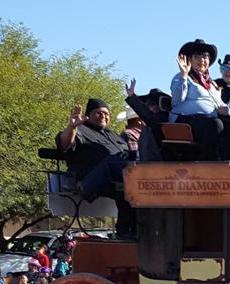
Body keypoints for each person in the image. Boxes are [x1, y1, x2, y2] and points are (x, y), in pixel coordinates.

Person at [56, 98, 135, 237]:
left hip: (116, 179)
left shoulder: (113, 135)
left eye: (106, 114)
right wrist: (72, 127)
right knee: (111, 162)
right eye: (99, 113)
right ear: (88, 115)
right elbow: (65, 145)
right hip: (88, 178)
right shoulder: (81, 129)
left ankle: (127, 232)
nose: (104, 116)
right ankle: (85, 188)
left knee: (134, 189)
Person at [170, 39, 228, 161]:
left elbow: (220, 103)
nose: (202, 60)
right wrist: (183, 76)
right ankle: (207, 162)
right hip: (185, 121)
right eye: (197, 56)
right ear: (189, 60)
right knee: (215, 124)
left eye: (205, 57)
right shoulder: (181, 77)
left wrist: (226, 109)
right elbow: (177, 100)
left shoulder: (211, 83)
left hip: (208, 120)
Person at [124, 82, 170, 161]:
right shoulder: (149, 125)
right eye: (150, 104)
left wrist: (132, 97)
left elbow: (147, 116)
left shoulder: (163, 119)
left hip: (159, 165)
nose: (153, 107)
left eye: (156, 103)